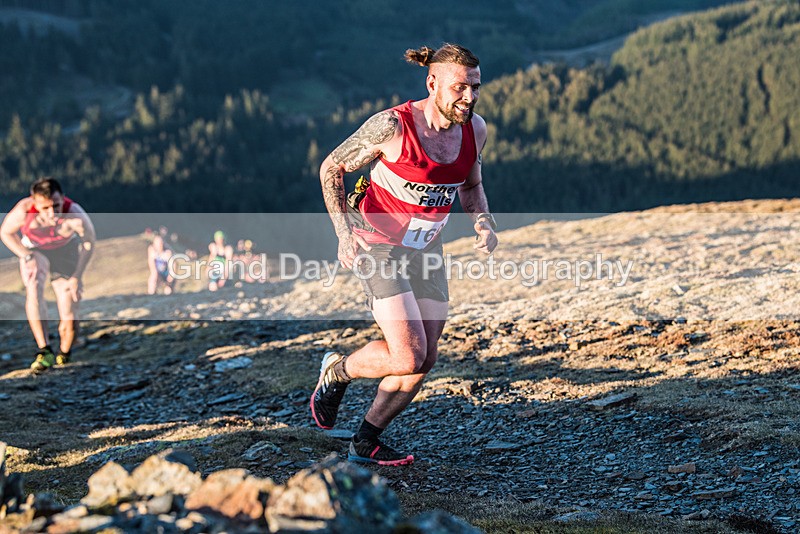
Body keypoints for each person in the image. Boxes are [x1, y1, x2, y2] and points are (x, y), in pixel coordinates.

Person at [312, 44, 498, 466]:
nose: (469, 97)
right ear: (432, 83)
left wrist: (483, 223)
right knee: (407, 354)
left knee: (425, 357)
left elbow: (470, 185)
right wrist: (343, 234)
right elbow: (331, 168)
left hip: (426, 247)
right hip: (377, 243)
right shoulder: (393, 127)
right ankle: (338, 370)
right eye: (459, 87)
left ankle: (365, 441)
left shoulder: (475, 129)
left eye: (475, 88)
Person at [0, 177, 96, 373]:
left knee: (69, 305)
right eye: (45, 208)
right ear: (34, 203)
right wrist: (25, 255)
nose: (52, 213)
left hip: (65, 251)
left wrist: (77, 276)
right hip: (35, 250)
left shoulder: (75, 214)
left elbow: (89, 242)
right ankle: (44, 350)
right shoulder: (23, 211)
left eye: (56, 205)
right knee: (34, 286)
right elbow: (5, 232)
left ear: (63, 198)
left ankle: (64, 353)